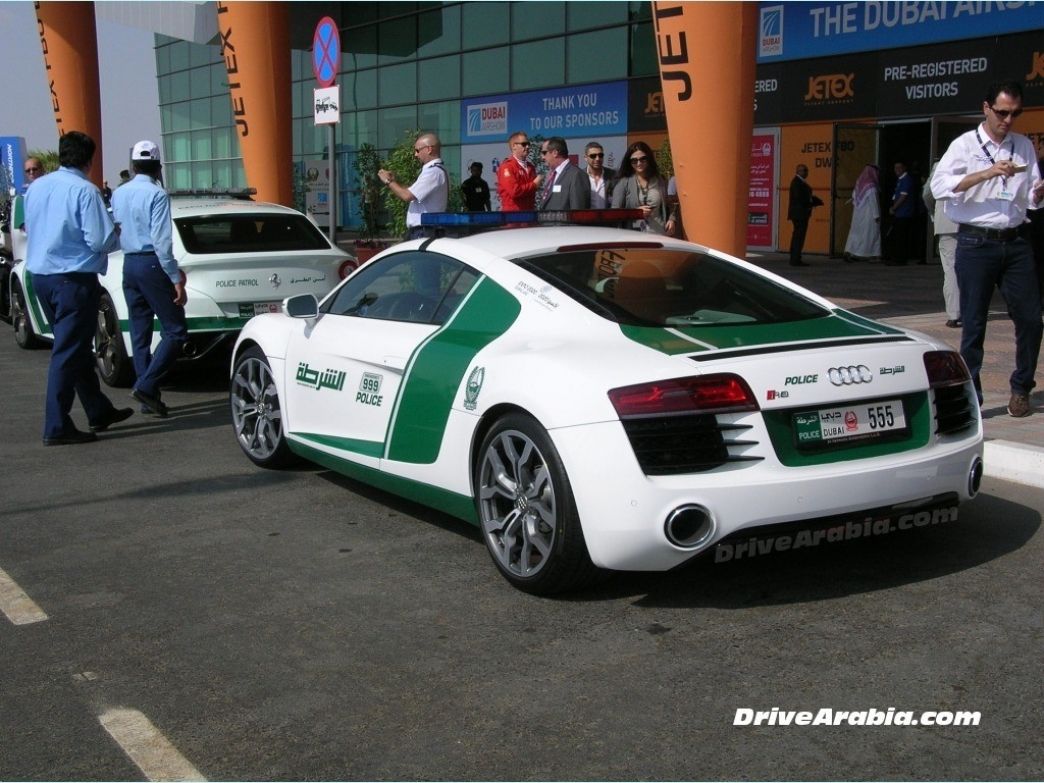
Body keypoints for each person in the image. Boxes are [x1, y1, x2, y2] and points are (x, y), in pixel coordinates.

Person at [930, 79, 1044, 418]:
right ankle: (972, 394)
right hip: (975, 241)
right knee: (975, 323)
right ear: (986, 108)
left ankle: (1021, 387)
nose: (1008, 120)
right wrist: (985, 173)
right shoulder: (964, 146)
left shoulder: (1022, 146)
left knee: (1030, 318)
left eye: (1015, 114)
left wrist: (1038, 193)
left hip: (1015, 240)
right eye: (1002, 113)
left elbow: (1030, 196)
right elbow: (940, 186)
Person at [23, 130, 132, 445]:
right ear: (89, 160)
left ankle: (98, 410)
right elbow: (99, 240)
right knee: (67, 353)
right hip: (73, 279)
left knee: (74, 346)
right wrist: (116, 232)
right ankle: (56, 426)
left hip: (42, 276)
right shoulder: (85, 191)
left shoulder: (37, 187)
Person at [110, 139, 187, 418]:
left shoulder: (119, 193)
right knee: (176, 330)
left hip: (129, 263)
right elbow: (161, 241)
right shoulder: (157, 194)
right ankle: (146, 385)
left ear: (133, 166)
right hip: (152, 264)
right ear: (158, 167)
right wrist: (174, 276)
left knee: (139, 333)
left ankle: (148, 397)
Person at [378, 131, 448, 239]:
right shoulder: (434, 170)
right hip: (424, 230)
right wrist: (394, 181)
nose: (416, 154)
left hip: (424, 231)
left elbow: (407, 196)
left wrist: (388, 181)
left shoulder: (433, 172)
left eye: (417, 150)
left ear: (429, 149)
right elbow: (413, 192)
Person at [922, 161, 961, 328]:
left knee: (951, 269)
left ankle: (955, 313)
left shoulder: (940, 165)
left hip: (947, 224)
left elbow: (927, 195)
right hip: (972, 224)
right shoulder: (972, 162)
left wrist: (934, 213)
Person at [611, 140, 677, 235]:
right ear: (629, 162)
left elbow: (669, 204)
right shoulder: (624, 182)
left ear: (649, 159)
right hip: (634, 237)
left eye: (643, 159)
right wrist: (635, 213)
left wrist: (672, 219)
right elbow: (614, 213)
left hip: (659, 234)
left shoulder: (659, 180)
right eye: (634, 160)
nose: (639, 163)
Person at [538, 137, 590, 212]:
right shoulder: (552, 175)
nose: (542, 157)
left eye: (544, 153)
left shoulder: (576, 175)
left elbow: (578, 212)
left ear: (555, 153)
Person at [496, 131, 542, 212]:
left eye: (528, 144)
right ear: (514, 146)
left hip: (529, 215)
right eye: (524, 144)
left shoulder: (531, 167)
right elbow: (514, 192)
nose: (527, 147)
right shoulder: (507, 167)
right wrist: (534, 185)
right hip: (513, 217)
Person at [787, 163, 822, 266]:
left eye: (806, 170)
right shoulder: (797, 182)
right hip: (799, 214)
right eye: (804, 170)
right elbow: (800, 198)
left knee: (798, 236)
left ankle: (795, 257)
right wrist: (811, 203)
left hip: (800, 213)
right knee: (799, 236)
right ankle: (795, 258)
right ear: (798, 171)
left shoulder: (800, 182)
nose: (806, 172)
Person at [843, 164, 880, 262]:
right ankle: (872, 255)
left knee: (856, 233)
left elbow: (854, 197)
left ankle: (851, 252)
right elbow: (873, 202)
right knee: (871, 234)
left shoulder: (859, 183)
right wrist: (876, 215)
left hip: (858, 214)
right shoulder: (871, 186)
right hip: (868, 215)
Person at [885, 161, 916, 265]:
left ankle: (900, 259)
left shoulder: (906, 180)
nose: (896, 170)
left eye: (899, 168)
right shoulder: (900, 180)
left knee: (901, 237)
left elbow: (903, 197)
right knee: (897, 236)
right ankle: (896, 257)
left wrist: (893, 208)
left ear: (904, 168)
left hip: (904, 213)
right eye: (895, 168)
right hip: (899, 213)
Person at [583, 141, 616, 209]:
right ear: (585, 158)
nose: (597, 159)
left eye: (600, 155)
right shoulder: (580, 176)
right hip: (587, 218)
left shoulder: (613, 175)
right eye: (593, 156)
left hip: (609, 218)